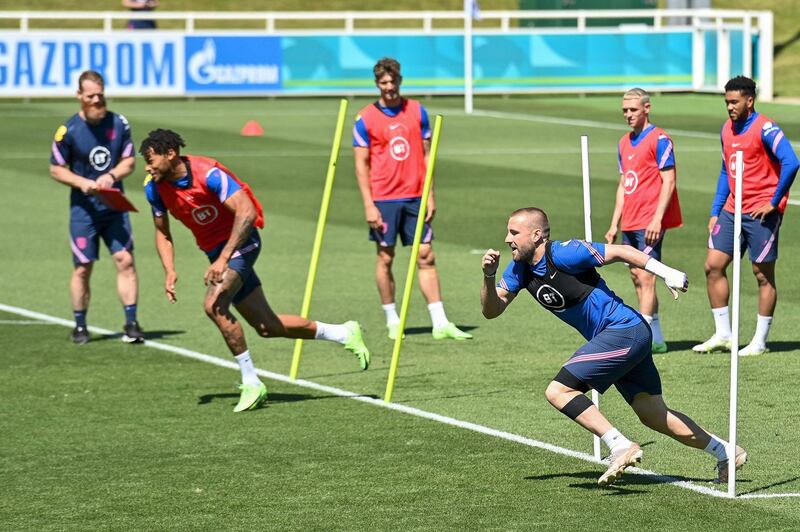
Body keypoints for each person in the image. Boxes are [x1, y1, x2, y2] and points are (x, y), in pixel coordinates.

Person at [480, 208, 746, 486]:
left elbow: (621, 251)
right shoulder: (519, 270)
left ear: (536, 235)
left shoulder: (563, 253)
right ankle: (726, 452)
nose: (507, 239)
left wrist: (665, 272)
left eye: (514, 232)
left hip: (624, 331)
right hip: (622, 336)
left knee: (558, 391)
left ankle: (620, 445)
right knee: (652, 414)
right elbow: (492, 310)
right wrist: (488, 276)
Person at [139, 129, 370, 413]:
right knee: (266, 327)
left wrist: (224, 258)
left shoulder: (209, 174)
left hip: (243, 241)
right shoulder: (154, 188)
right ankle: (344, 333)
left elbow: (246, 213)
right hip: (217, 253)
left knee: (214, 304)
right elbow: (162, 233)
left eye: (151, 159)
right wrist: (169, 270)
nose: (147, 166)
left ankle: (252, 382)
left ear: (170, 153)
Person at [353, 57, 471, 341]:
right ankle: (392, 319)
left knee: (426, 255)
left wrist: (429, 193)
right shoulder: (365, 118)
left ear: (400, 81)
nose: (390, 88)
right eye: (384, 83)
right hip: (383, 198)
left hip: (415, 196)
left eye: (393, 82)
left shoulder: (417, 111)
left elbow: (428, 155)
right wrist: (369, 204)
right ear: (377, 84)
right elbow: (361, 165)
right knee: (385, 256)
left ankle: (440, 321)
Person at [693, 76, 799, 357]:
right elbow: (725, 171)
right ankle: (723, 334)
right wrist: (715, 211)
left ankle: (760, 341)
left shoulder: (766, 127)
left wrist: (773, 202)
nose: (729, 107)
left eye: (734, 102)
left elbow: (792, 161)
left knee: (762, 275)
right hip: (731, 210)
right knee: (712, 265)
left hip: (760, 213)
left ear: (749, 101)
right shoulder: (726, 129)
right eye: (726, 102)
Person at [49, 70, 144, 345]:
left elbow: (129, 162)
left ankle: (131, 323)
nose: (96, 100)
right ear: (79, 96)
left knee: (125, 260)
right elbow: (56, 169)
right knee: (83, 267)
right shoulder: (68, 130)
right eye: (90, 95)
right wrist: (83, 183)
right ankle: (80, 325)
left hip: (114, 207)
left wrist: (111, 176)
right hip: (84, 210)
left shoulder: (119, 123)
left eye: (100, 95)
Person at [605, 88, 682, 354]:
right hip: (631, 221)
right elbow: (623, 185)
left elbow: (669, 181)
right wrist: (615, 223)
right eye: (625, 110)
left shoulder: (660, 139)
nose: (628, 115)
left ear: (646, 108)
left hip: (650, 221)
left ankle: (643, 340)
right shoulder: (624, 142)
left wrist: (658, 219)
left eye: (633, 110)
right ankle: (657, 338)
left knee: (647, 277)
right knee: (637, 276)